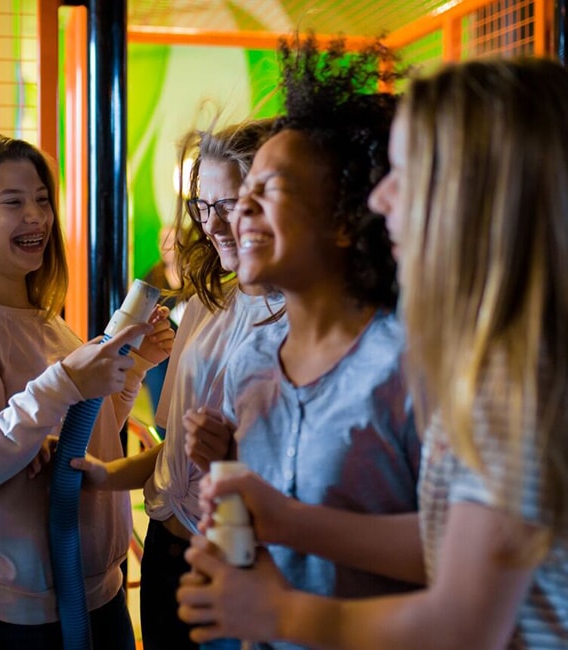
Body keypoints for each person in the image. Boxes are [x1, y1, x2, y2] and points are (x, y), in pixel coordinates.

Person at [177, 57, 568, 649]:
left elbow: (463, 625)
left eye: (406, 173)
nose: (380, 198)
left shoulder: (502, 384)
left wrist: (279, 612)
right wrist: (281, 520)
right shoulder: (501, 367)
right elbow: (453, 541)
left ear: (482, 193)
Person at [179, 37, 420, 650]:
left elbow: (468, 552)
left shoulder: (409, 363)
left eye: (270, 190)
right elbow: (256, 526)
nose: (238, 214)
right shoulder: (252, 360)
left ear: (344, 220)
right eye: (241, 193)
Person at [0, 134, 174, 650]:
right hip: (19, 620)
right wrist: (62, 385)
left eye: (41, 199)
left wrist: (136, 366)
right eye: (13, 203)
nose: (36, 216)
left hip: (98, 596)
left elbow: (87, 432)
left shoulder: (44, 320)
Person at [72, 118, 284, 650]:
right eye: (202, 207)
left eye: (229, 204)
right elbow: (175, 456)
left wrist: (238, 458)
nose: (213, 225)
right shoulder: (205, 307)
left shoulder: (303, 322)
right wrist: (103, 476)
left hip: (238, 571)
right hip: (167, 558)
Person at [142, 224, 188, 424]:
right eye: (163, 242)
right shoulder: (152, 277)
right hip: (161, 356)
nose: (167, 246)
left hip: (189, 352)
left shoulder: (196, 277)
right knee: (162, 414)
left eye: (172, 241)